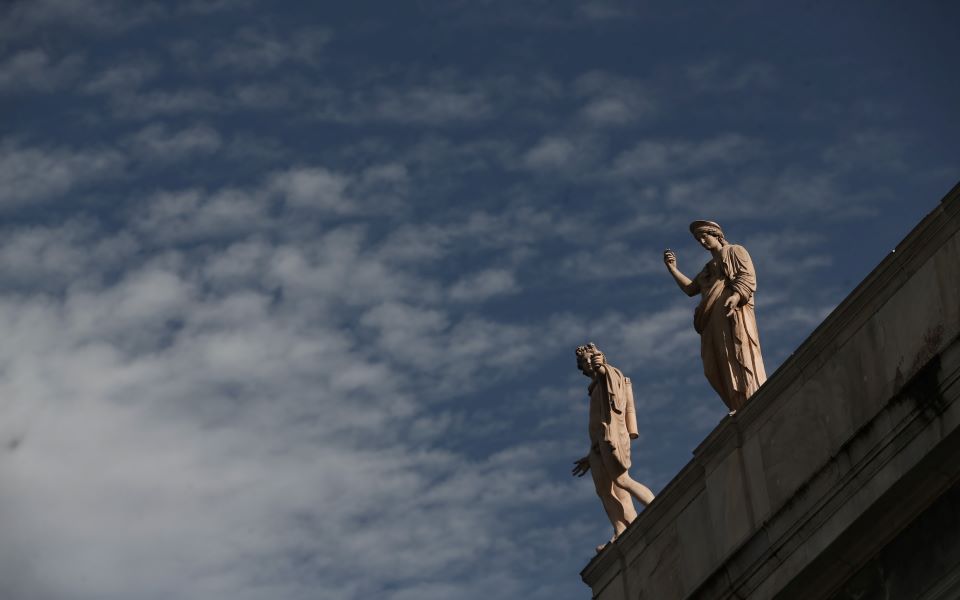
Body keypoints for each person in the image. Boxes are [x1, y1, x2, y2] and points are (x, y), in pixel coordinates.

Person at [663, 220, 767, 413]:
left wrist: (736, 296)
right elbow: (690, 289)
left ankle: (749, 399)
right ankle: (736, 404)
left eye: (704, 237)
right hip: (710, 319)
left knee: (737, 355)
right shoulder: (707, 269)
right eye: (699, 240)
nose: (702, 242)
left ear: (716, 235)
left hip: (731, 312)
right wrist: (673, 269)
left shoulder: (735, 251)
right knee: (714, 367)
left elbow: (747, 276)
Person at [571, 343, 654, 551]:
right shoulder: (594, 388)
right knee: (604, 491)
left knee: (622, 480)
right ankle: (621, 529)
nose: (588, 362)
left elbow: (609, 380)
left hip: (610, 438)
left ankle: (657, 507)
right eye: (584, 361)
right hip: (597, 446)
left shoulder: (609, 374)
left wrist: (600, 365)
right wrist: (590, 455)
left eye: (590, 358)